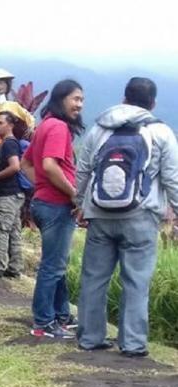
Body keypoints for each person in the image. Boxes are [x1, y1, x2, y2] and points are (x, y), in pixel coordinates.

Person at [74, 77, 178, 357]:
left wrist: (79, 203)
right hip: (141, 216)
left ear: (124, 99)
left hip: (100, 214)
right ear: (152, 103)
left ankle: (90, 337)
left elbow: (83, 169)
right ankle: (132, 343)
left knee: (94, 278)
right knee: (136, 281)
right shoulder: (162, 132)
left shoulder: (99, 128)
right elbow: (172, 179)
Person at [21, 79, 85, 339]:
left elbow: (27, 164)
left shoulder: (45, 125)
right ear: (61, 99)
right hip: (57, 206)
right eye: (75, 99)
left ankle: (60, 315)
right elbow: (48, 165)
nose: (79, 105)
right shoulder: (58, 127)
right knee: (53, 266)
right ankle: (43, 322)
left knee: (57, 263)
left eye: (81, 100)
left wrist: (43, 187)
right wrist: (73, 195)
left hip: (43, 202)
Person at [0, 111, 25, 277]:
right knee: (14, 231)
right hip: (16, 193)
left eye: (0, 123)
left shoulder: (9, 144)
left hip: (9, 194)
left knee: (0, 229)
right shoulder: (11, 143)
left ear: (10, 125)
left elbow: (15, 166)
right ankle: (15, 267)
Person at [0, 68, 36, 139]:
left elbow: (29, 117)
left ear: (7, 85)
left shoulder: (14, 106)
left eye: (1, 83)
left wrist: (30, 128)